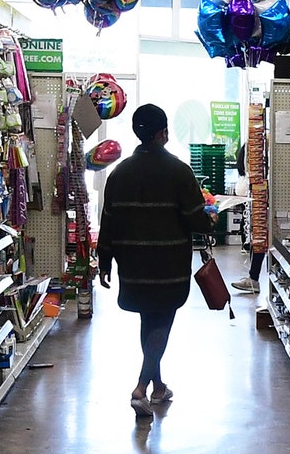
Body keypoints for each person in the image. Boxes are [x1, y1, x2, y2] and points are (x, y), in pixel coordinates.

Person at [97, 104, 215, 417]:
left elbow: (108, 220)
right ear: (164, 132)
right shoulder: (178, 170)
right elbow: (196, 219)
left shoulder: (119, 173)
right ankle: (140, 387)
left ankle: (158, 386)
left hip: (132, 264)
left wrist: (104, 261)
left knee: (148, 319)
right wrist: (211, 218)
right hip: (168, 264)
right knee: (162, 319)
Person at [231, 143, 265, 293]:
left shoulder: (249, 147)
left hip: (256, 199)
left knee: (258, 237)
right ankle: (253, 277)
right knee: (258, 236)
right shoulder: (252, 147)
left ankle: (254, 278)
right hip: (255, 199)